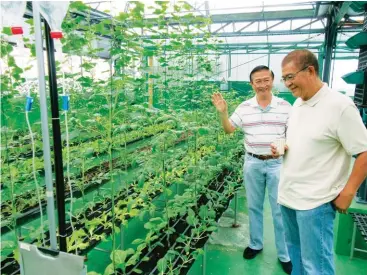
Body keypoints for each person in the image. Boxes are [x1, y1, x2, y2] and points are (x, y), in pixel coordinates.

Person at [271, 49, 367, 275]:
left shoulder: (339, 106)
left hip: (315, 203)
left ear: (310, 70)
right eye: (284, 78)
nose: (287, 84)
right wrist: (282, 145)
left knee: (317, 267)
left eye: (290, 77)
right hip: (289, 197)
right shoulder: (299, 104)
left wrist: (349, 191)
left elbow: (364, 151)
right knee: (297, 259)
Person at [212, 65, 292, 274]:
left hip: (277, 164)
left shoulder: (285, 106)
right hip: (253, 162)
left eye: (266, 80)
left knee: (279, 210)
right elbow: (229, 129)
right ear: (252, 84)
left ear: (272, 81)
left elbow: (293, 136)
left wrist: (284, 145)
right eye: (258, 81)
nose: (263, 84)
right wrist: (223, 113)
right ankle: (256, 244)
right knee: (255, 206)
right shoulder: (244, 107)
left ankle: (285, 254)